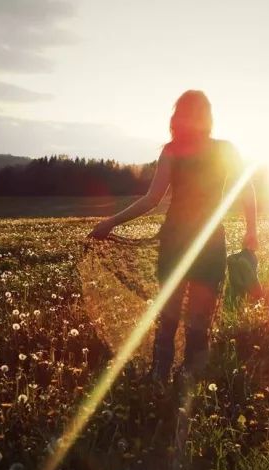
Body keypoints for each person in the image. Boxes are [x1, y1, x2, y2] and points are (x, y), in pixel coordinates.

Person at [87, 90, 258, 382]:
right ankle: (180, 379)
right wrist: (251, 230)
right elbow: (246, 191)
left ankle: (165, 377)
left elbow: (152, 199)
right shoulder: (205, 149)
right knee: (193, 320)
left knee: (175, 318)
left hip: (189, 241)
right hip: (200, 242)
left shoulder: (179, 150)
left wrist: (111, 223)